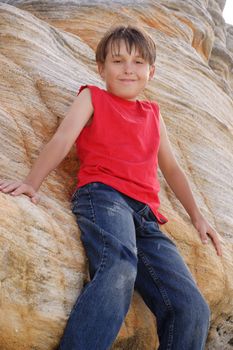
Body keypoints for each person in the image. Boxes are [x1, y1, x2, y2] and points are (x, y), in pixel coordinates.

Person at [0, 25, 222, 350]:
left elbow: (172, 169)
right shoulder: (93, 97)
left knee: (192, 307)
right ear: (101, 68)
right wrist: (32, 183)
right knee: (119, 268)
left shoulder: (153, 114)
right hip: (103, 197)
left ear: (152, 71)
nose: (128, 69)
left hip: (147, 217)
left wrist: (198, 217)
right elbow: (63, 139)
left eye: (138, 61)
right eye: (118, 61)